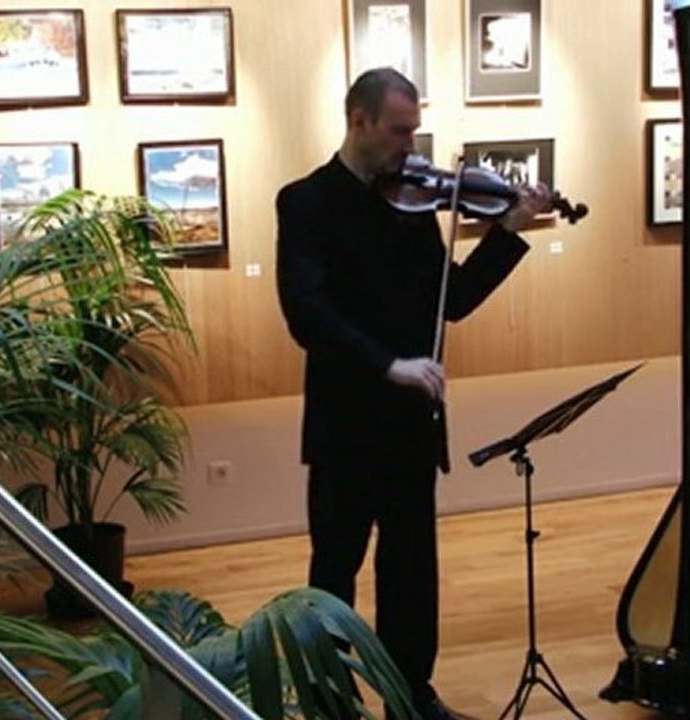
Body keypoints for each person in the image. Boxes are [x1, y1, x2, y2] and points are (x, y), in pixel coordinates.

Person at [275, 67, 555, 720]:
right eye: (399, 131)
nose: (410, 145)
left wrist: (506, 231)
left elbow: (449, 302)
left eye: (414, 130)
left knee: (411, 573)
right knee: (336, 570)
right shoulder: (307, 201)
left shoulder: (415, 202)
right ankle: (329, 698)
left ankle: (410, 696)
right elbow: (306, 311)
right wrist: (389, 365)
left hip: (410, 424)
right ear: (359, 120)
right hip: (347, 423)